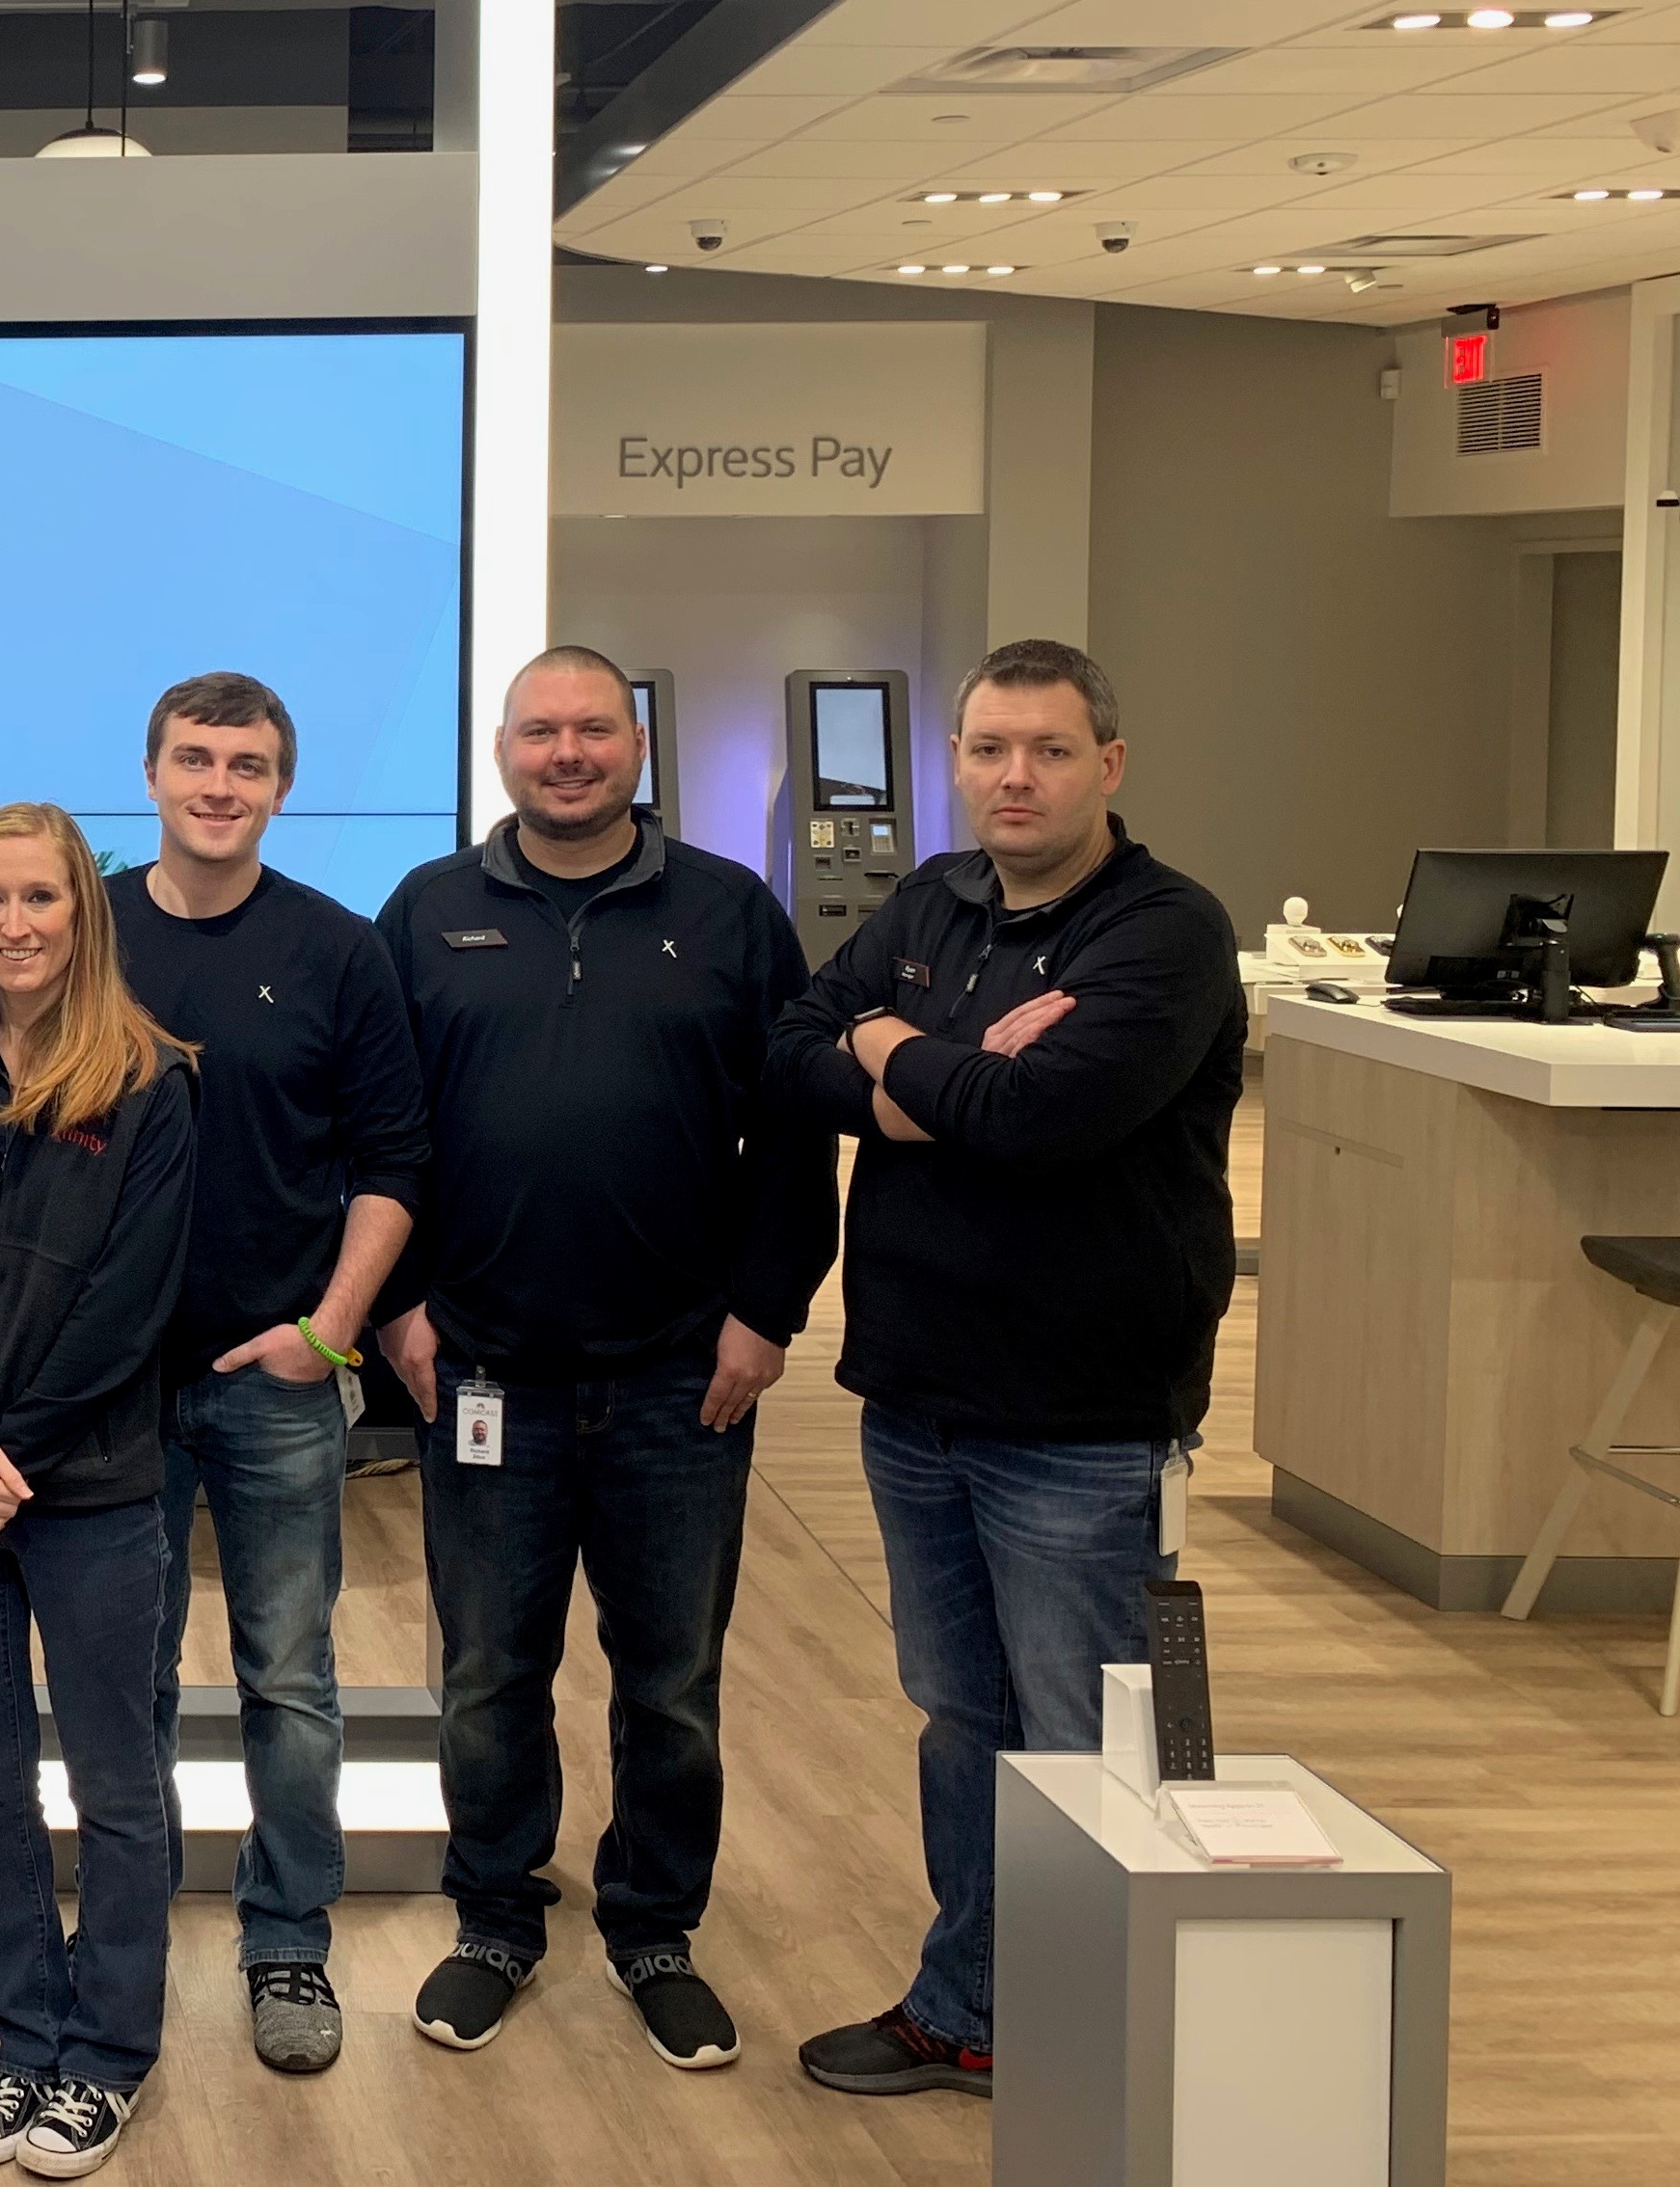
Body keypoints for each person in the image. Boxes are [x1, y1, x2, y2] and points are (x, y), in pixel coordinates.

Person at [765, 638, 1241, 2099]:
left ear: (1110, 761)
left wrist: (894, 1041)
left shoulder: (1164, 932)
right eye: (988, 750)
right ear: (956, 759)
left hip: (1085, 1421)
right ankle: (967, 2007)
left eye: (1045, 750)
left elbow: (1043, 1124)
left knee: (1102, 1733)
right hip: (915, 1397)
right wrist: (945, 1071)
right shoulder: (933, 901)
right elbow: (793, 1046)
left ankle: (1109, 2039)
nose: (1013, 777)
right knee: (964, 1721)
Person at [368, 646, 838, 2073]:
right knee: (490, 1673)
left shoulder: (730, 915)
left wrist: (767, 1313)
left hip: (677, 1379)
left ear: (632, 745)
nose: (565, 753)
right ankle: (498, 1918)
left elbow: (798, 1132)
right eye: (539, 732)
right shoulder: (431, 911)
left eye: (591, 730)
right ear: (502, 749)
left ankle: (653, 1929)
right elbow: (384, 1132)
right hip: (486, 1373)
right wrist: (397, 1311)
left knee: (671, 1678)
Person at [100, 671, 423, 2074]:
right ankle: (133, 1929)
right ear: (152, 774)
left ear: (281, 787)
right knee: (127, 1679)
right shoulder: (82, 928)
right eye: (195, 759)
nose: (219, 784)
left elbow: (395, 1167)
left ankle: (287, 1942)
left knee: (287, 1677)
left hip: (277, 1384)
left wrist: (331, 1329)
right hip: (109, 1386)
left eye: (247, 764)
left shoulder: (340, 950)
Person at [0, 803, 198, 2180]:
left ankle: (108, 2054)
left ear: (85, 914)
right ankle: (24, 2037)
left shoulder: (151, 1083)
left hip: (96, 1489)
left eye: (41, 900)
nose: (15, 924)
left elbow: (129, 1312)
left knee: (119, 1784)